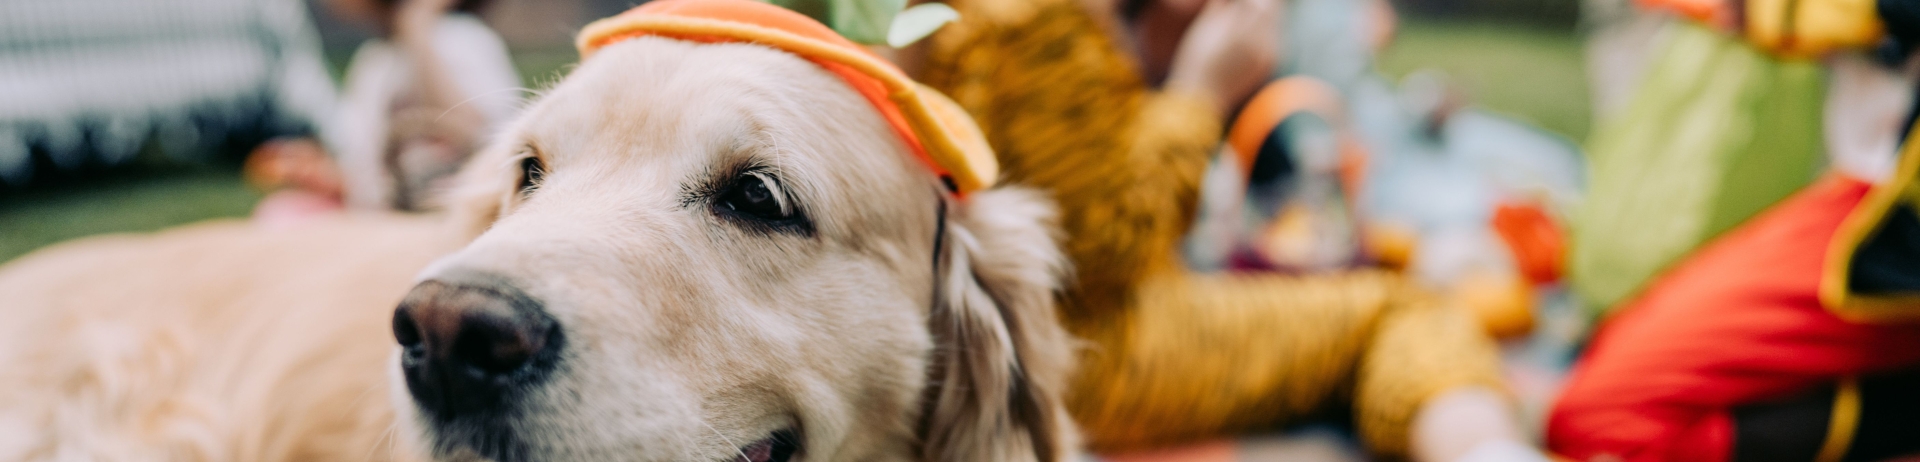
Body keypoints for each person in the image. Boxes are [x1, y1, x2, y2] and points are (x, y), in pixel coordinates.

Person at [904, 0, 1545, 459]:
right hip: (1077, 349)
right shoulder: (1038, 21)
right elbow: (1107, 246)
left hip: (1016, 330)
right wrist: (1203, 87)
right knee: (1401, 308)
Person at [247, 0, 521, 218]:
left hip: (454, 203)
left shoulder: (464, 40)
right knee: (281, 213)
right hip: (387, 209)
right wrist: (316, 171)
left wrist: (417, 26)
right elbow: (362, 168)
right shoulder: (374, 60)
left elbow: (485, 138)